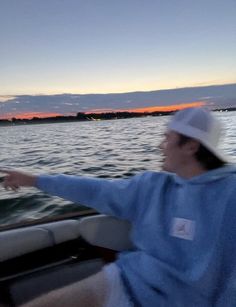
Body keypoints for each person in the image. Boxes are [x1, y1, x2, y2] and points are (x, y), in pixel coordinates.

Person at [1, 107, 236, 307]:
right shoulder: (151, 186)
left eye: (167, 138)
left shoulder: (230, 194)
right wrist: (33, 180)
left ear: (191, 146)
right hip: (129, 280)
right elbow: (95, 189)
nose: (160, 145)